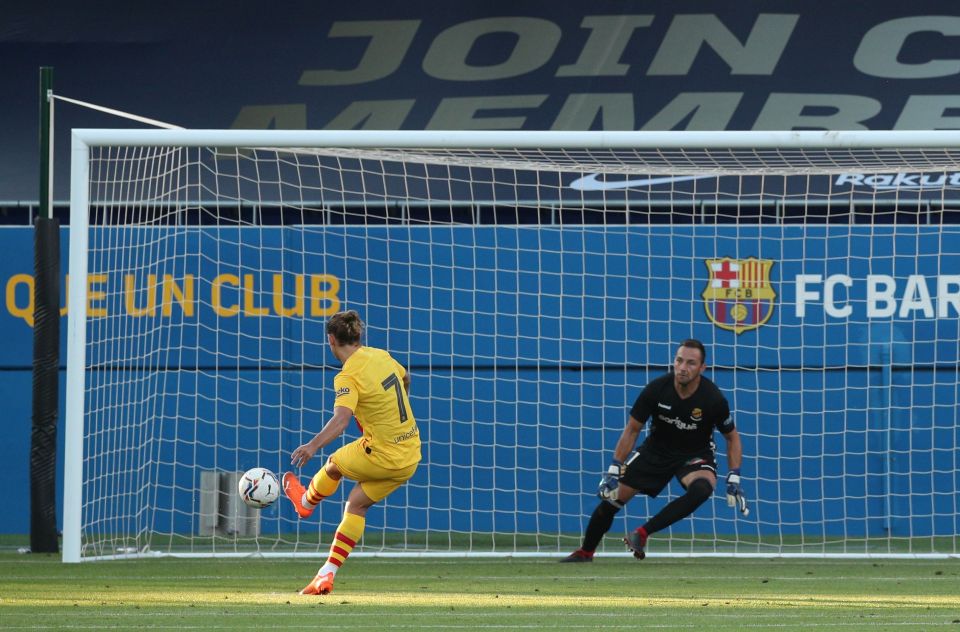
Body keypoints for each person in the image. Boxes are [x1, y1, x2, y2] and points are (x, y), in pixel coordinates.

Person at [561, 339, 747, 562]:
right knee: (610, 501)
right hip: (655, 451)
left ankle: (641, 533)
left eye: (691, 363)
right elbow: (632, 430)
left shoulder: (713, 398)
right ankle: (585, 552)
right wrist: (614, 468)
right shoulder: (656, 389)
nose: (683, 368)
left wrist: (734, 475)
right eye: (679, 361)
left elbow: (732, 437)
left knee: (702, 488)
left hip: (695, 454)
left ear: (702, 368)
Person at [283, 310, 421, 594]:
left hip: (382, 453)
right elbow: (406, 378)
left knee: (334, 464)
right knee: (356, 505)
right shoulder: (381, 355)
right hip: (410, 455)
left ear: (331, 340)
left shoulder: (347, 376)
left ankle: (305, 503)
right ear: (359, 337)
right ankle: (326, 574)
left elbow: (341, 420)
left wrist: (312, 446)